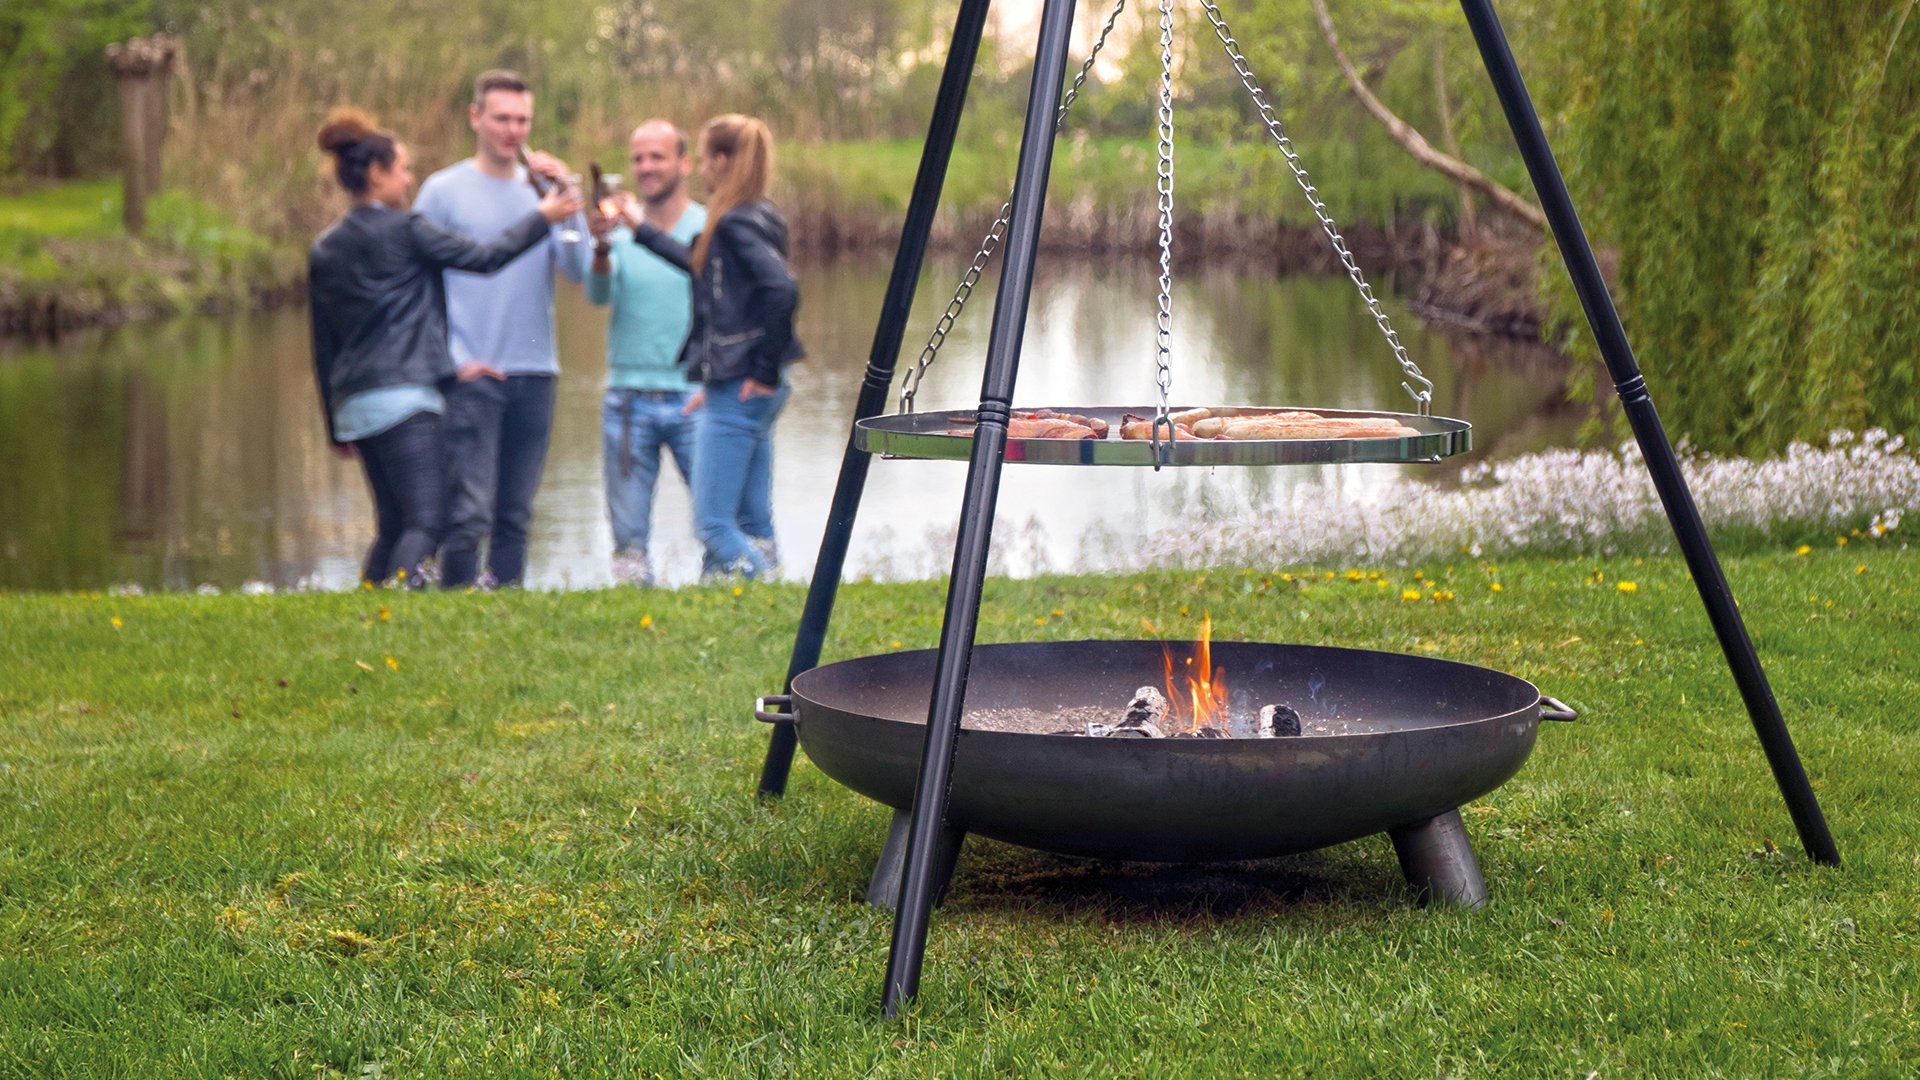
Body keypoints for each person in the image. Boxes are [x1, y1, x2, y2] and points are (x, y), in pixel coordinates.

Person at [307, 109, 578, 588]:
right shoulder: (407, 229)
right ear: (376, 173)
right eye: (403, 168)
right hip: (407, 398)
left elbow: (322, 343)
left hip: (356, 404)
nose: (410, 179)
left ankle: (366, 606)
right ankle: (401, 606)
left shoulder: (325, 247)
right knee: (426, 521)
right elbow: (483, 258)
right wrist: (541, 218)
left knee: (393, 521)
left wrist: (334, 426)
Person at [414, 69, 591, 589]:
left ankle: (508, 604)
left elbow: (577, 271)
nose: (513, 130)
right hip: (472, 371)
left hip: (536, 368)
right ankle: (456, 603)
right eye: (502, 118)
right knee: (468, 512)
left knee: (516, 509)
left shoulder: (544, 192)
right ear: (476, 118)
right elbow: (417, 287)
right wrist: (448, 362)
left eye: (523, 120)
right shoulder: (442, 191)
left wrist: (568, 201)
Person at [623, 114, 803, 580]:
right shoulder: (761, 214)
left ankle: (758, 582)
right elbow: (700, 267)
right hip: (744, 385)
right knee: (752, 516)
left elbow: (781, 290)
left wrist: (758, 371)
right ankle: (766, 599)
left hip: (744, 387)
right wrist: (638, 226)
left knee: (712, 523)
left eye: (704, 158)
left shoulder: (736, 223)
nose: (701, 168)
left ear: (721, 161)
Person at [585, 120, 706, 587]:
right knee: (628, 534)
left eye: (657, 156)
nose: (646, 167)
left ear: (684, 163)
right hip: (628, 399)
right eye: (638, 158)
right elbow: (598, 296)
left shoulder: (708, 226)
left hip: (695, 397)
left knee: (715, 519)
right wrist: (597, 246)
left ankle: (727, 599)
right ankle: (634, 608)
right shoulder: (616, 231)